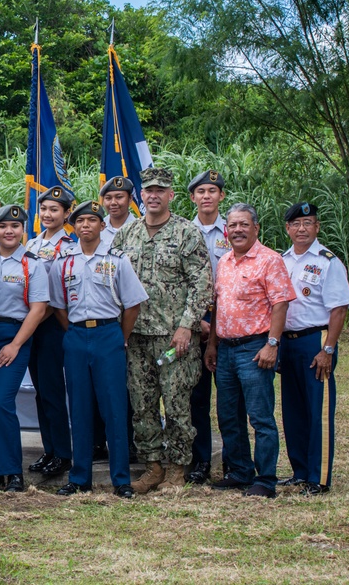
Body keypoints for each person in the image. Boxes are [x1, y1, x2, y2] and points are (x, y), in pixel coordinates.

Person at [112, 167, 212, 494]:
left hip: (175, 339)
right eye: (148, 190)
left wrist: (187, 327)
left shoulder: (186, 233)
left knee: (176, 401)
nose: (153, 195)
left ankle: (176, 470)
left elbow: (202, 284)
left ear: (171, 195)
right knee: (142, 403)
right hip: (137, 336)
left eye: (161, 190)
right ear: (141, 195)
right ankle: (152, 466)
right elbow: (111, 282)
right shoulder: (127, 235)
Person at [50, 201, 148, 499]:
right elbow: (58, 306)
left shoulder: (118, 260)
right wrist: (77, 332)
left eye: (92, 221)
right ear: (74, 226)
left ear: (102, 226)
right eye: (80, 221)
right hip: (77, 335)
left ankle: (121, 479)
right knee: (79, 408)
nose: (86, 226)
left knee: (114, 408)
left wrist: (120, 336)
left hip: (109, 334)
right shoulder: (63, 262)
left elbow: (132, 305)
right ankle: (80, 477)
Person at [205, 203, 296, 498]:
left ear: (256, 228)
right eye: (232, 225)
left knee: (260, 417)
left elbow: (281, 303)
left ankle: (265, 478)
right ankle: (239, 471)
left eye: (244, 224)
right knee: (229, 415)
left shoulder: (269, 260)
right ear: (226, 230)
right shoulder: (225, 262)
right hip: (227, 349)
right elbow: (219, 306)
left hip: (255, 347)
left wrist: (272, 343)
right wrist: (212, 344)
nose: (238, 230)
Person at [0, 205, 49, 492]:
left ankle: (12, 471)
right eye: (3, 226)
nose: (9, 231)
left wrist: (16, 345)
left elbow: (39, 309)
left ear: (23, 230)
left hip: (13, 335)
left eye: (15, 226)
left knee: (0, 402)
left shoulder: (33, 264)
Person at [279, 202, 349, 495]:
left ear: (317, 227)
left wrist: (329, 349)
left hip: (315, 341)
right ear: (287, 228)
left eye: (307, 223)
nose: (301, 229)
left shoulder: (328, 261)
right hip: (288, 341)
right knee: (293, 410)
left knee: (317, 410)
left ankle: (318, 477)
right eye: (296, 224)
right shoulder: (282, 261)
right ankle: (299, 471)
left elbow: (339, 310)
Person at [24, 186, 75, 477]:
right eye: (44, 209)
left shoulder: (68, 247)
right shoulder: (30, 245)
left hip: (52, 324)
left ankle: (63, 453)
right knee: (40, 393)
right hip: (33, 326)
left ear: (66, 213)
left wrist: (32, 321)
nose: (47, 214)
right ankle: (49, 449)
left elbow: (57, 296)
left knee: (53, 391)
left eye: (54, 209)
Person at [186, 169, 233, 484]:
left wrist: (214, 322)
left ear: (221, 196)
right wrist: (196, 321)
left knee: (231, 399)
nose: (206, 196)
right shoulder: (182, 231)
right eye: (201, 191)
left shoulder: (234, 231)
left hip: (229, 322)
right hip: (193, 324)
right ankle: (200, 460)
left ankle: (234, 461)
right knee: (196, 398)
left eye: (212, 191)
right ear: (192, 197)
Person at [99, 176, 136, 247]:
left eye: (119, 197)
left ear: (130, 199)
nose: (113, 202)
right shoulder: (97, 229)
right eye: (108, 198)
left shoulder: (141, 229)